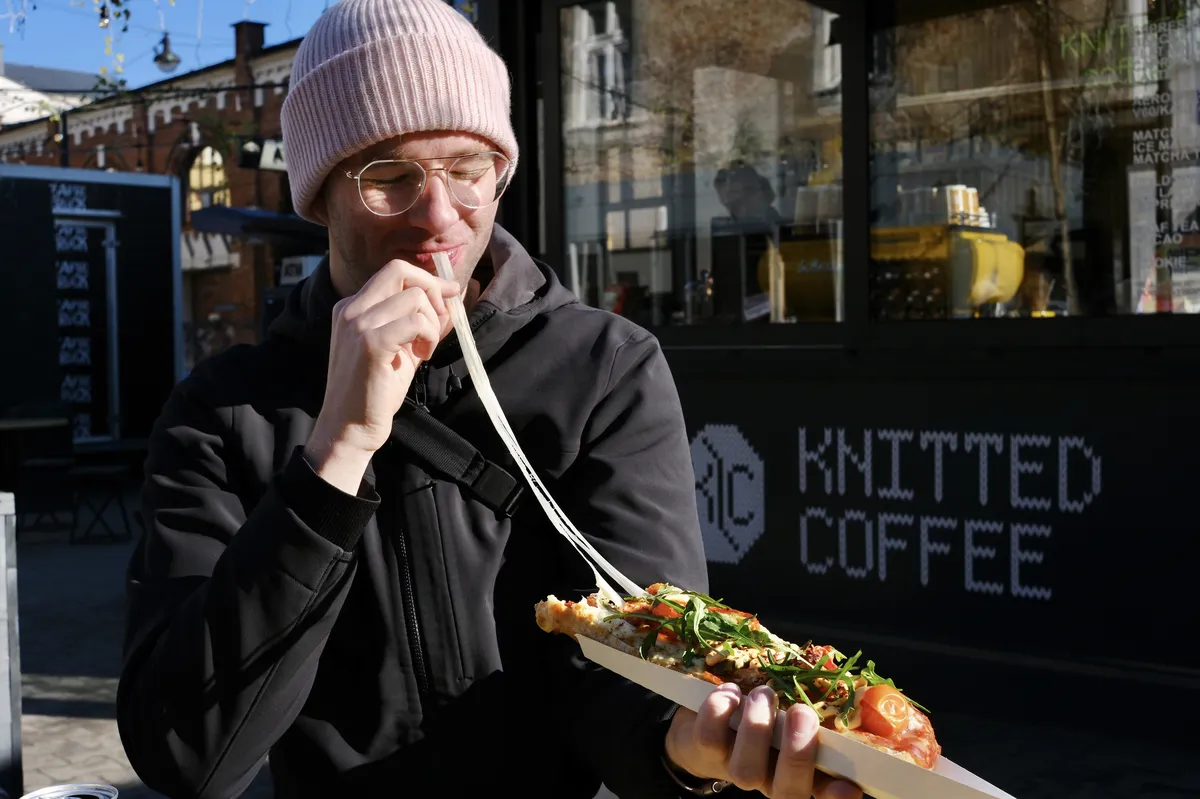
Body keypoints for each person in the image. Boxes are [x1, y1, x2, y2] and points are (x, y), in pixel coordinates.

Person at [116, 2, 864, 798]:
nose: (439, 216)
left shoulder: (601, 367)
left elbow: (641, 669)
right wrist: (334, 456)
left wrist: (683, 747)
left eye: (469, 169)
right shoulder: (225, 412)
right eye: (392, 178)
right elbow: (188, 754)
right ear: (321, 194)